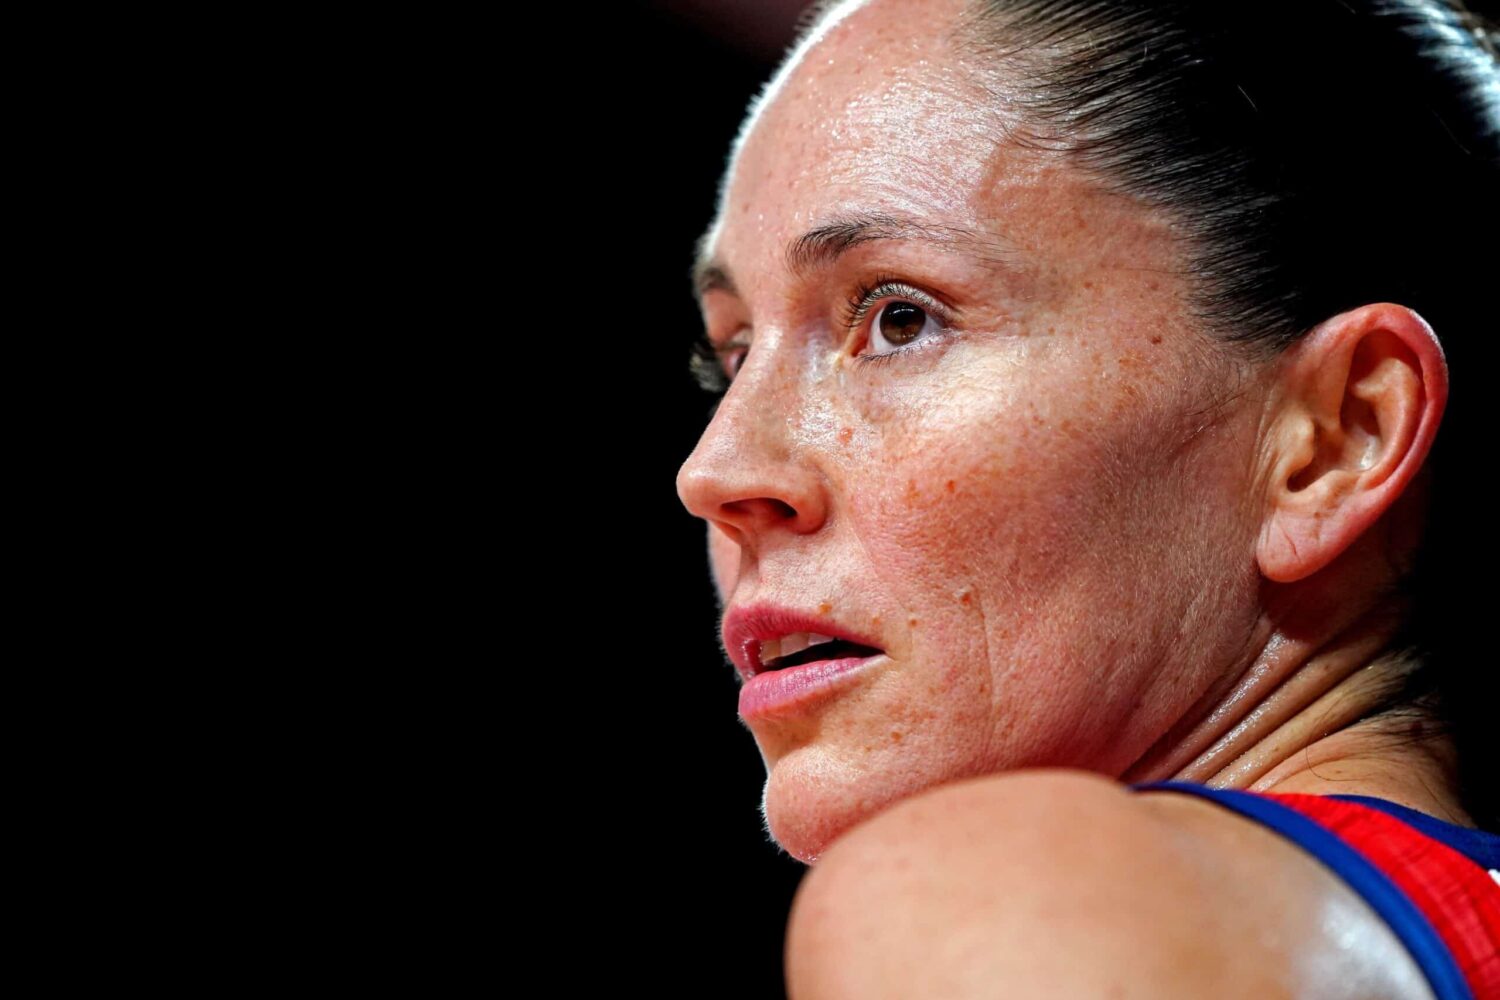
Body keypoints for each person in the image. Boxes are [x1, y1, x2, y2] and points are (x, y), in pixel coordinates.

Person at [674, 0, 1499, 996]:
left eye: (897, 318)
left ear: (1335, 438)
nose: (714, 473)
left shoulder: (1010, 904)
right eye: (731, 355)